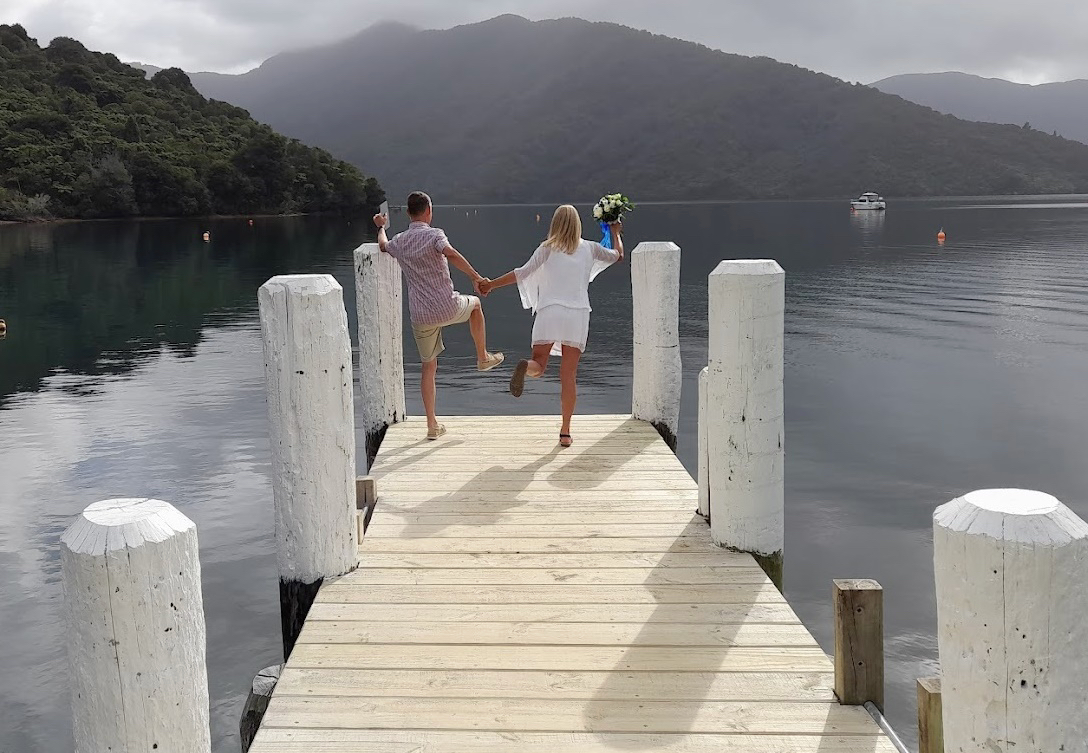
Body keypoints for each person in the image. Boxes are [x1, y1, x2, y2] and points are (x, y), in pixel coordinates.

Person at [479, 204, 623, 447]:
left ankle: (526, 367)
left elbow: (521, 273)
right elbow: (617, 255)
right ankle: (565, 432)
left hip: (549, 313)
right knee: (569, 376)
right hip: (577, 316)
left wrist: (491, 284)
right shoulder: (590, 248)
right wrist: (616, 232)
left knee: (541, 365)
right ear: (577, 224)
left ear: (554, 224)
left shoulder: (547, 249)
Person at [374, 191, 504, 440]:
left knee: (428, 367)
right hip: (448, 306)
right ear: (429, 211)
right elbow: (451, 253)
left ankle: (432, 425)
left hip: (421, 316)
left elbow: (382, 245)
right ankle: (482, 357)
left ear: (410, 213)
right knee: (476, 305)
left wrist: (381, 227)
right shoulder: (435, 235)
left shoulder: (399, 241)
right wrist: (476, 277)